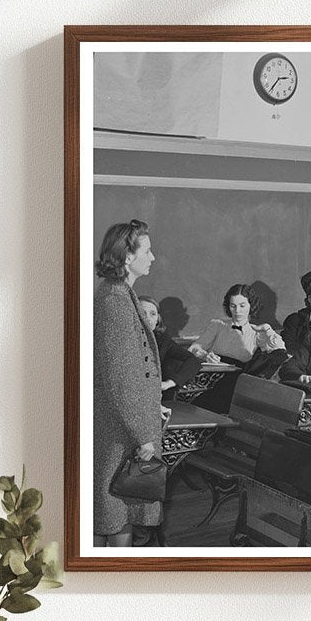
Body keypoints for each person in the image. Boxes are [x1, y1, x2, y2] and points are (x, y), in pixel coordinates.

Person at [92, 220, 163, 548]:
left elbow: (134, 369)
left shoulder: (118, 293)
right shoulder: (114, 301)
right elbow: (120, 380)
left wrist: (152, 406)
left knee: (118, 510)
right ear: (126, 256)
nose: (152, 257)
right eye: (146, 251)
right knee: (117, 512)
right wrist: (144, 434)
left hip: (123, 426)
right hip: (123, 433)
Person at [189, 283, 287, 369]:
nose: (237, 311)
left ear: (251, 305)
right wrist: (205, 356)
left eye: (242, 306)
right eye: (233, 306)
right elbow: (194, 348)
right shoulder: (217, 325)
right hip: (212, 374)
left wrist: (267, 328)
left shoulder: (256, 332)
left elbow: (280, 351)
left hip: (238, 379)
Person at [139, 297, 200, 402]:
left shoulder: (163, 340)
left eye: (152, 314)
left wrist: (170, 383)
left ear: (158, 319)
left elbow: (193, 360)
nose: (148, 318)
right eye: (143, 313)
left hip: (152, 396)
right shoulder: (125, 339)